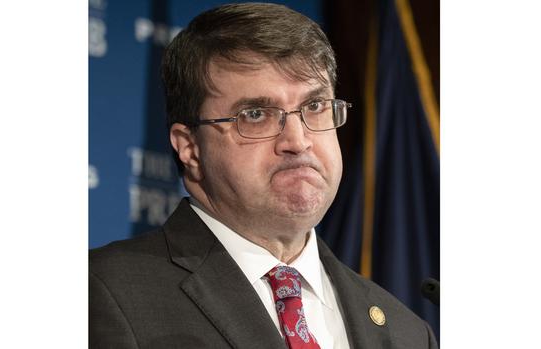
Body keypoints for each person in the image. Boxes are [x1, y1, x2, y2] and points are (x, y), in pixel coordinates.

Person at [89, 3, 438, 348]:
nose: (298, 141)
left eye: (315, 107)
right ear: (190, 148)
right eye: (256, 114)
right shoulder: (101, 294)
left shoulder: (407, 332)